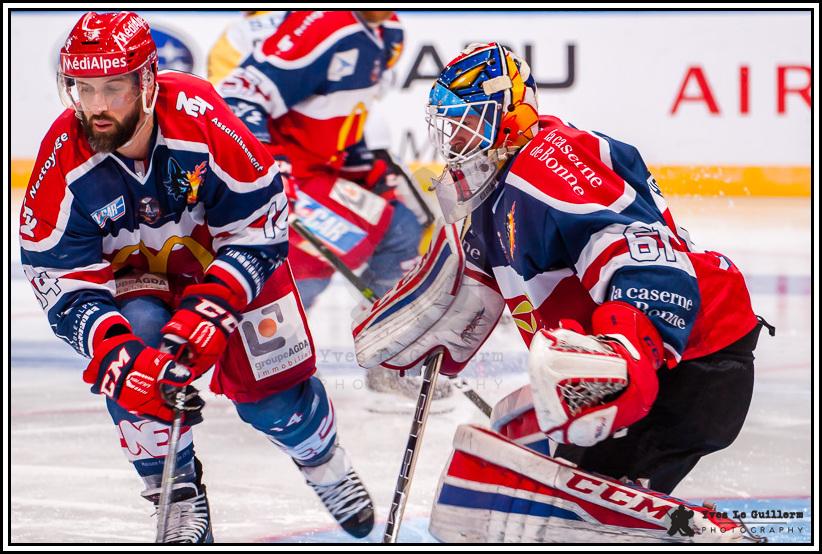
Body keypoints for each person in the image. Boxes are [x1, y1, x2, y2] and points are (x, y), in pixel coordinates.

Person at [353, 42, 769, 541]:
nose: (458, 137)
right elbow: (471, 296)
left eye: (469, 120)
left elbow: (638, 254)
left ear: (512, 114)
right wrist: (434, 329)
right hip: (659, 364)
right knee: (511, 470)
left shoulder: (549, 160)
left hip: (687, 363)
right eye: (451, 124)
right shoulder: (492, 191)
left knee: (563, 521)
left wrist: (625, 349)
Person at [19, 11, 375, 543]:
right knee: (133, 361)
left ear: (146, 82)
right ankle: (177, 496)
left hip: (225, 267)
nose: (96, 106)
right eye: (83, 88)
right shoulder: (62, 156)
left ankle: (323, 461)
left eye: (113, 87)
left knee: (275, 400)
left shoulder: (200, 116)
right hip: (139, 283)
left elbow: (261, 222)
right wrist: (112, 347)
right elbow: (57, 272)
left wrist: (214, 306)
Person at [213, 10, 449, 403]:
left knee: (403, 231)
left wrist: (362, 166)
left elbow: (340, 114)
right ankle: (265, 368)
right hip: (288, 174)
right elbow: (238, 94)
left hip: (323, 172)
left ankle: (387, 359)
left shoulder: (388, 33)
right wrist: (268, 168)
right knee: (303, 269)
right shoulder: (324, 24)